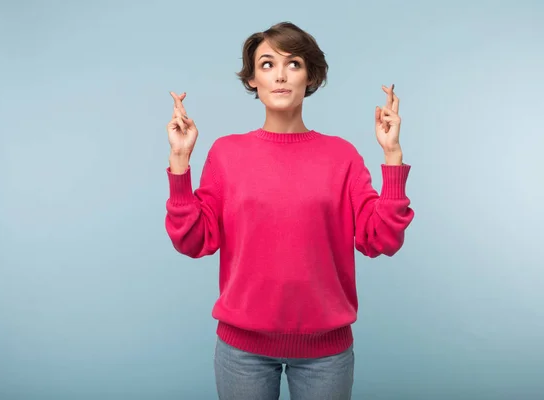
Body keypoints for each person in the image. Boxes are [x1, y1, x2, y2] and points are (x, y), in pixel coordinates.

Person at [164, 21, 414, 400]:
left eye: (293, 63)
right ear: (252, 80)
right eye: (267, 64)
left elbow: (380, 238)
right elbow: (194, 241)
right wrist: (180, 161)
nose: (280, 75)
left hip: (325, 354)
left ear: (310, 76)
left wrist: (392, 156)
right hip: (242, 351)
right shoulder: (226, 154)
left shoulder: (341, 156)